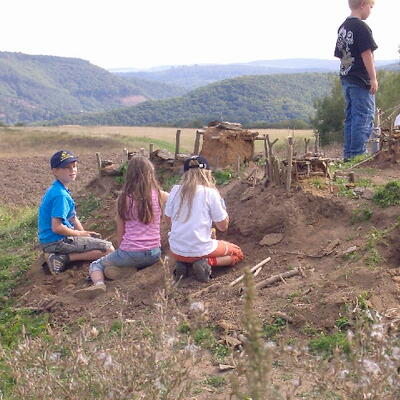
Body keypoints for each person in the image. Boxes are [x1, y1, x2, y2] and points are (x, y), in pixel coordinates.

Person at [74, 156, 169, 299]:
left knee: (96, 265)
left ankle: (99, 284)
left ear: (129, 176)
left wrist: (121, 251)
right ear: (151, 174)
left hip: (130, 253)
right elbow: (176, 199)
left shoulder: (123, 199)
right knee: (128, 262)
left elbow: (120, 233)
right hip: (154, 254)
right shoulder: (161, 196)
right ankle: (131, 270)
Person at [164, 155, 243, 282]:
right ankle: (207, 262)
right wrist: (222, 206)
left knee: (189, 251)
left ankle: (184, 265)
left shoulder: (175, 190)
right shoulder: (210, 193)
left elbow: (169, 221)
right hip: (200, 250)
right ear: (207, 173)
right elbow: (223, 226)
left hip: (176, 250)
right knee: (237, 253)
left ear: (185, 173)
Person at [38, 150, 114, 274]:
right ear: (55, 171)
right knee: (108, 249)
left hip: (50, 241)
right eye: (66, 167)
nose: (72, 170)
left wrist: (84, 235)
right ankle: (62, 258)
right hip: (56, 241)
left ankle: (61, 256)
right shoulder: (60, 195)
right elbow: (57, 227)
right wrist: (79, 234)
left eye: (74, 166)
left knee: (95, 240)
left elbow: (72, 218)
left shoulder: (58, 189)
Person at [334, 0, 378, 161]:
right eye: (371, 7)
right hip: (360, 79)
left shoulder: (343, 27)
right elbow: (367, 54)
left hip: (347, 77)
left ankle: (349, 154)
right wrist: (373, 78)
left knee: (351, 117)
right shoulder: (361, 27)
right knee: (364, 116)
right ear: (363, 4)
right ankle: (358, 155)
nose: (371, 11)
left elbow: (340, 54)